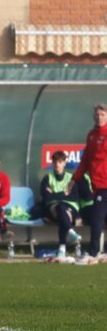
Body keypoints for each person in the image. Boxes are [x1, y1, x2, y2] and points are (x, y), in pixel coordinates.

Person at [69, 103, 107, 258]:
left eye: (102, 115)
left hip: (105, 183)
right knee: (99, 216)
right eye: (96, 115)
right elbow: (85, 159)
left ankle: (93, 252)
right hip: (97, 184)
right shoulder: (91, 135)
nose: (99, 117)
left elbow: (98, 157)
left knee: (96, 216)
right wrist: (74, 179)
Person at [39, 151, 82, 258]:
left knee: (61, 209)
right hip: (53, 208)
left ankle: (62, 248)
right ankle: (70, 232)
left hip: (70, 207)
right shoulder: (47, 178)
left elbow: (74, 197)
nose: (57, 164)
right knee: (60, 208)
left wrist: (54, 194)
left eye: (60, 162)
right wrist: (64, 194)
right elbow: (46, 197)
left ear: (64, 163)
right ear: (52, 163)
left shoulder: (71, 178)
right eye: (55, 162)